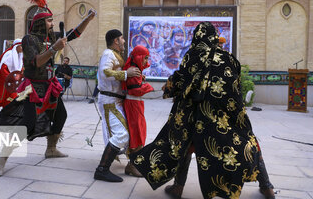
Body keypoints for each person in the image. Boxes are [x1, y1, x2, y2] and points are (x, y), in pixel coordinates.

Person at [129, 22, 275, 199]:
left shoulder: (192, 56)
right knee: (250, 141)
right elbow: (235, 90)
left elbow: (180, 80)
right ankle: (267, 187)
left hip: (195, 119)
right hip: (225, 120)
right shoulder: (228, 58)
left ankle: (178, 187)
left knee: (183, 144)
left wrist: (169, 87)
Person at [0, 0, 96, 176]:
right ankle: (2, 157)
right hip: (33, 87)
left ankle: (50, 149)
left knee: (61, 115)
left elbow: (73, 34)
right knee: (27, 124)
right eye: (49, 21)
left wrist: (87, 19)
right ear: (40, 23)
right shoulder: (28, 39)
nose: (52, 23)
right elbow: (35, 62)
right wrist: (54, 49)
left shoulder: (52, 38)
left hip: (50, 86)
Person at [94, 29, 141, 183]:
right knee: (122, 134)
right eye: (121, 38)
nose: (123, 41)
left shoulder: (114, 55)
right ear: (115, 40)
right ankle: (102, 170)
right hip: (109, 102)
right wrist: (126, 74)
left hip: (114, 100)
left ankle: (130, 166)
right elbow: (104, 72)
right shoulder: (108, 53)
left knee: (127, 133)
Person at [122, 45, 154, 177]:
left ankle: (134, 164)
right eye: (145, 58)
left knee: (140, 131)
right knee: (137, 132)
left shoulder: (135, 70)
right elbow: (135, 90)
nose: (147, 61)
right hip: (133, 104)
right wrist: (148, 87)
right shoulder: (134, 70)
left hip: (136, 104)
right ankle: (132, 165)